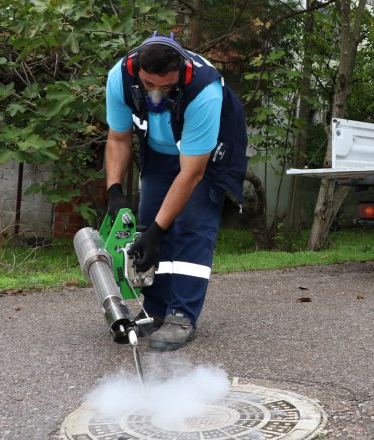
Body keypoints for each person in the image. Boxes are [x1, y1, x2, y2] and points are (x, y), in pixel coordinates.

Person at [104, 32, 248, 351]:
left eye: (166, 88)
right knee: (150, 220)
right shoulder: (119, 78)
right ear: (137, 71)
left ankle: (182, 315)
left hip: (209, 153)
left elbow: (192, 173)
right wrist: (114, 190)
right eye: (148, 85)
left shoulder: (204, 90)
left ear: (180, 73)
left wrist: (158, 230)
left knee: (191, 222)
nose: (155, 96)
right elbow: (117, 137)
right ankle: (156, 311)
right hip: (159, 147)